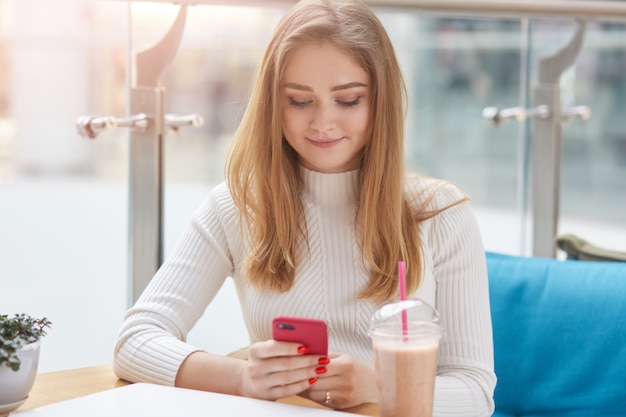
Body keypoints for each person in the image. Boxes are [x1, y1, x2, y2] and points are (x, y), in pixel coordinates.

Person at [113, 0, 496, 415]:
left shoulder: (441, 213)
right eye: (299, 101)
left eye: (348, 100)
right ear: (273, 104)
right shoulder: (237, 205)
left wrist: (381, 386)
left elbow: (475, 391)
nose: (322, 123)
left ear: (379, 102)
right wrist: (241, 378)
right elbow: (136, 339)